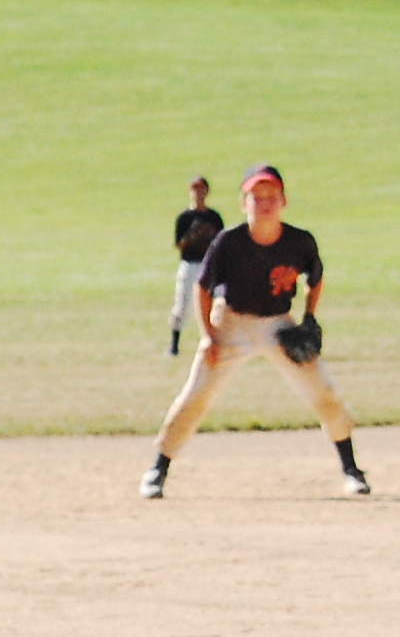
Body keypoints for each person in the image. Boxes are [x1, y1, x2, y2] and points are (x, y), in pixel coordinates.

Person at [141, 163, 369, 499]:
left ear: (283, 201)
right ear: (243, 203)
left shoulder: (299, 241)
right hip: (230, 321)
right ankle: (158, 469)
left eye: (271, 195)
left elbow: (316, 278)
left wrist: (308, 317)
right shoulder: (228, 242)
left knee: (324, 391)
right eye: (256, 196)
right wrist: (209, 335)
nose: (264, 203)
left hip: (279, 324)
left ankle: (351, 470)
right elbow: (203, 288)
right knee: (197, 395)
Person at [169, 173, 222, 357]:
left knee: (215, 305)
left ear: (207, 192)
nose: (198, 193)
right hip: (189, 265)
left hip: (208, 265)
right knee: (182, 305)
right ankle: (174, 345)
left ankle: (215, 341)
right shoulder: (184, 218)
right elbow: (179, 244)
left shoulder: (214, 217)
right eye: (195, 189)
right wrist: (191, 237)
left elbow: (221, 243)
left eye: (201, 189)